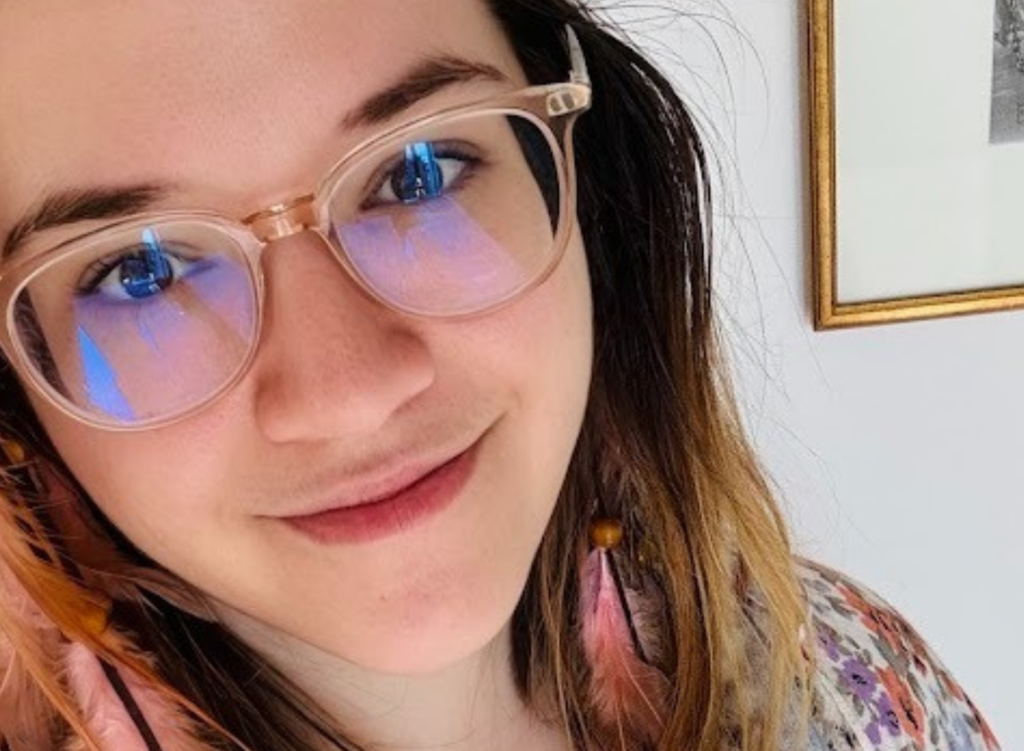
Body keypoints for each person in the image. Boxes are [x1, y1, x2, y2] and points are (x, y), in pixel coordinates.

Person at [0, 2, 1002, 750]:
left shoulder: (845, 674)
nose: (350, 391)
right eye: (137, 271)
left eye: (418, 170)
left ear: (578, 184)